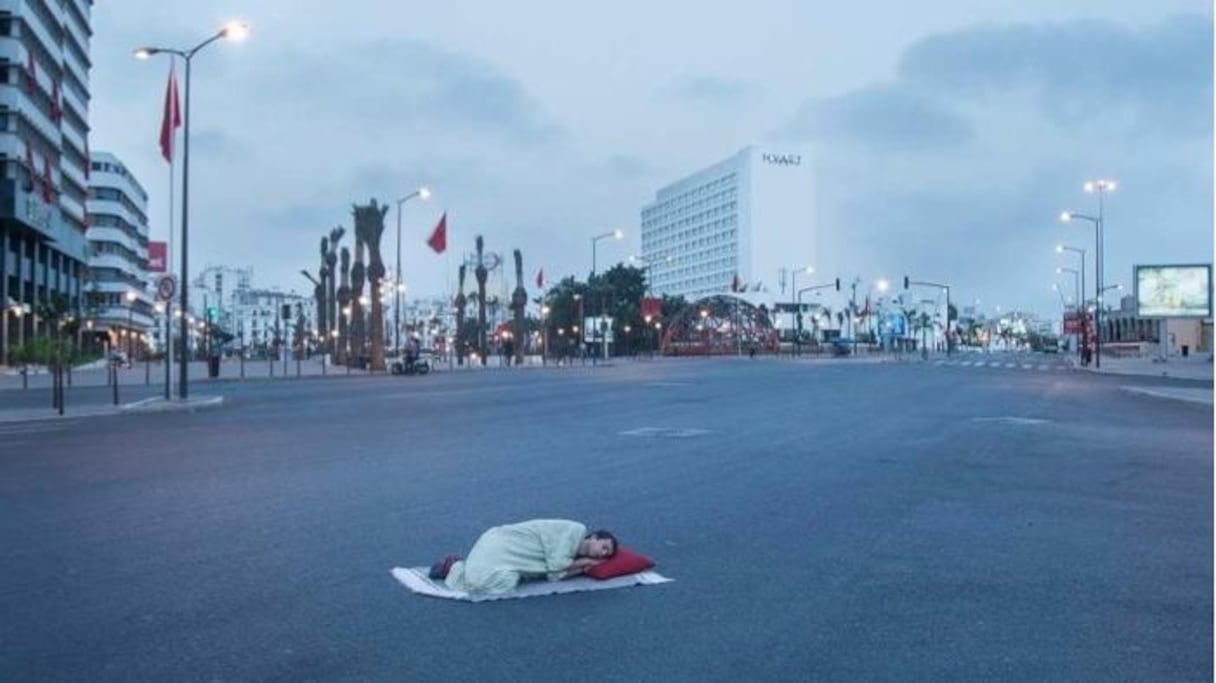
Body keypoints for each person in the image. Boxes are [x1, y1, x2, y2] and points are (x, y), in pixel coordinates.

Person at [429, 519, 617, 594]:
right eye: (604, 547)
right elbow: (557, 565)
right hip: (503, 542)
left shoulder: (572, 557)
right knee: (499, 582)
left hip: (502, 547)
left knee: (503, 579)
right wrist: (584, 562)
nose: (602, 554)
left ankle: (460, 567)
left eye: (606, 554)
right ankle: (453, 567)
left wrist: (580, 566)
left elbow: (554, 575)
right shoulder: (576, 530)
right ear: (593, 537)